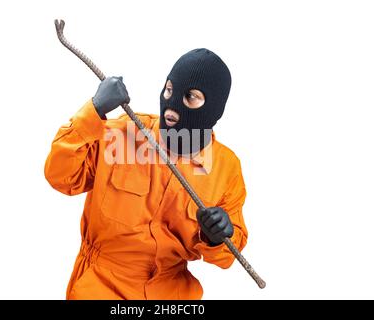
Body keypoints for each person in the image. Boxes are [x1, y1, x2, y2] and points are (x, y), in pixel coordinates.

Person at [44, 48, 248, 299]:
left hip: (172, 295)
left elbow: (228, 256)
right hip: (101, 285)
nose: (172, 105)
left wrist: (218, 238)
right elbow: (60, 176)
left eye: (190, 97)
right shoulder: (122, 134)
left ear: (214, 108)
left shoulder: (226, 168)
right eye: (169, 90)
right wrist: (94, 111)